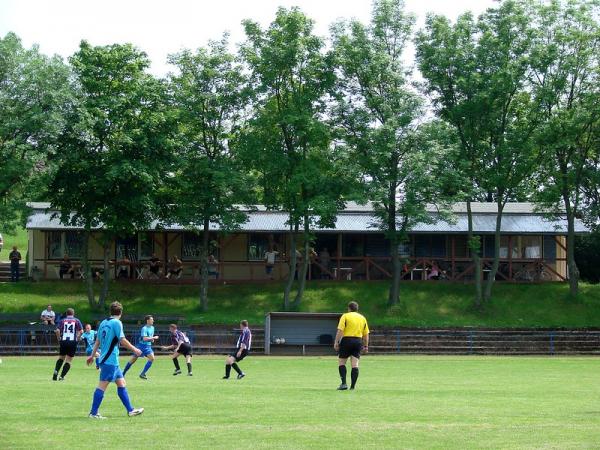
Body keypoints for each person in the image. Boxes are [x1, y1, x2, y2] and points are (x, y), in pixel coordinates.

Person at [87, 301, 144, 419]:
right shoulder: (117, 323)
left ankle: (130, 410)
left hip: (109, 360)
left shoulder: (103, 322)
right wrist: (135, 349)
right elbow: (122, 340)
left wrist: (92, 356)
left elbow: (97, 341)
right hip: (110, 360)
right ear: (121, 312)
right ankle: (93, 413)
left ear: (110, 311)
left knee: (121, 383)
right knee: (102, 385)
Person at [334, 301, 369, 391]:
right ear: (357, 309)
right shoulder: (362, 318)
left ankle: (344, 383)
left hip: (347, 340)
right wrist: (366, 346)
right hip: (358, 341)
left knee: (342, 362)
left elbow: (340, 330)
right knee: (355, 364)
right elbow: (366, 334)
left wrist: (336, 342)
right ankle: (352, 387)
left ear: (349, 308)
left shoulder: (345, 316)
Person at [123, 315, 159, 380]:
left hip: (148, 346)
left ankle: (142, 374)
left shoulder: (152, 328)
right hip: (141, 346)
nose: (153, 320)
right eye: (151, 319)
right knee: (133, 360)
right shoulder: (144, 328)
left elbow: (149, 337)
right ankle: (123, 374)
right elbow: (144, 339)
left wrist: (152, 339)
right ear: (148, 321)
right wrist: (153, 338)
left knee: (152, 358)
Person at [52, 308, 83, 381]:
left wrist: (59, 338)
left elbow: (57, 330)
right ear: (73, 314)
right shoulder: (76, 320)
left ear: (66, 314)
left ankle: (55, 373)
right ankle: (61, 377)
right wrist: (77, 339)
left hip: (64, 341)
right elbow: (81, 331)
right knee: (68, 360)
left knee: (61, 358)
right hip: (72, 342)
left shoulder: (62, 320)